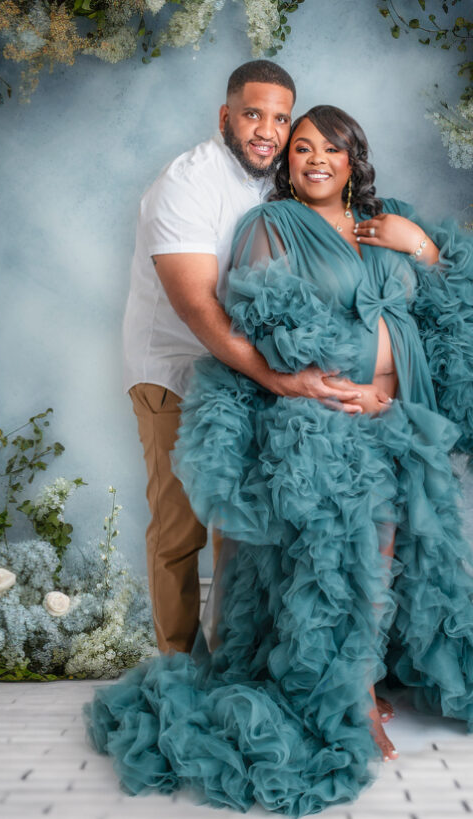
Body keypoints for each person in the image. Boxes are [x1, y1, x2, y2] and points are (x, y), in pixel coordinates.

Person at [88, 105, 473, 817]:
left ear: (353, 156)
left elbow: (445, 307)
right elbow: (268, 326)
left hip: (401, 410)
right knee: (361, 541)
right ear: (286, 163)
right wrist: (347, 389)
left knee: (404, 557)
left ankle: (372, 671)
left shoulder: (388, 219)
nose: (315, 158)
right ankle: (350, 691)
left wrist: (420, 245)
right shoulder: (268, 228)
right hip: (324, 417)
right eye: (301, 148)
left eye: (331, 147)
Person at [121, 62, 367, 656]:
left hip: (244, 369)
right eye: (254, 114)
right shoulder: (188, 184)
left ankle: (235, 660)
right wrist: (282, 380)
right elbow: (198, 309)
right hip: (176, 371)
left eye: (281, 118)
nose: (268, 130)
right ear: (226, 116)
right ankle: (178, 667)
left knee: (247, 523)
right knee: (182, 528)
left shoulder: (274, 176)